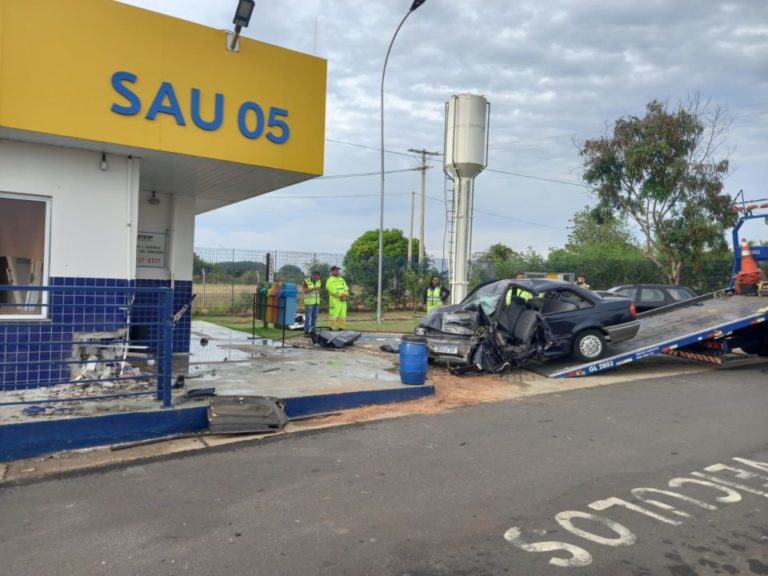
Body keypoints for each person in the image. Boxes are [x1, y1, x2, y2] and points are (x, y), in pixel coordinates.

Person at [325, 265, 349, 330]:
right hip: (334, 301)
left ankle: (341, 328)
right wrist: (341, 296)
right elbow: (333, 290)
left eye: (338, 270)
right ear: (332, 271)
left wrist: (345, 295)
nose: (337, 271)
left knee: (343, 315)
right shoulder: (330, 280)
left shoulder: (342, 279)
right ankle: (331, 328)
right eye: (336, 270)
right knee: (333, 315)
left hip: (343, 301)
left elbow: (346, 288)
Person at [302, 270, 322, 336]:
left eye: (318, 277)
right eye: (316, 277)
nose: (317, 279)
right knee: (308, 317)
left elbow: (319, 291)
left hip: (316, 302)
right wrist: (313, 288)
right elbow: (305, 291)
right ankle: (307, 332)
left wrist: (320, 290)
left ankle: (313, 331)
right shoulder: (306, 281)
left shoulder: (319, 281)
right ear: (313, 275)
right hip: (309, 303)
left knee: (314, 317)